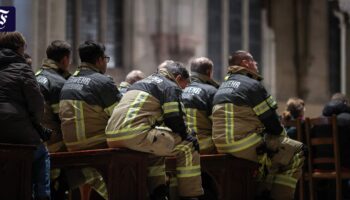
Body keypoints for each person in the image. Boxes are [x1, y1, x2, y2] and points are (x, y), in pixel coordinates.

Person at [212, 50, 304, 200]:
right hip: (243, 144)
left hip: (221, 145)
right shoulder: (252, 85)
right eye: (253, 61)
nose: (256, 64)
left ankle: (264, 192)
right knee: (296, 151)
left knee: (276, 153)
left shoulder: (221, 88)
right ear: (245, 63)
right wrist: (284, 139)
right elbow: (272, 123)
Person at [106, 61, 204, 200]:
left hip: (111, 137)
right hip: (134, 135)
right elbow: (174, 119)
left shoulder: (140, 82)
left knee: (158, 146)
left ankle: (158, 193)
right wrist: (187, 135)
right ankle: (191, 196)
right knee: (189, 145)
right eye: (184, 86)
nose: (182, 90)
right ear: (178, 78)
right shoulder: (170, 86)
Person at [59, 40, 122, 199]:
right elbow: (120, 116)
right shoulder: (102, 82)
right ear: (100, 60)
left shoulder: (67, 83)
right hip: (95, 144)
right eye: (106, 59)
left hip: (70, 146)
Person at [0, 32, 50, 199]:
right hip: (15, 129)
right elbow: (37, 104)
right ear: (20, 48)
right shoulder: (21, 68)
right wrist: (36, 122)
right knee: (42, 154)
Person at [36, 40, 72, 153]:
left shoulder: (35, 76)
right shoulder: (59, 83)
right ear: (65, 60)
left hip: (34, 139)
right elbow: (63, 118)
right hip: (52, 144)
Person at [182, 57, 219, 154]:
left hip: (182, 145)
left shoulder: (180, 91)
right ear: (209, 72)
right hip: (204, 145)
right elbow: (219, 124)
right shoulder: (211, 92)